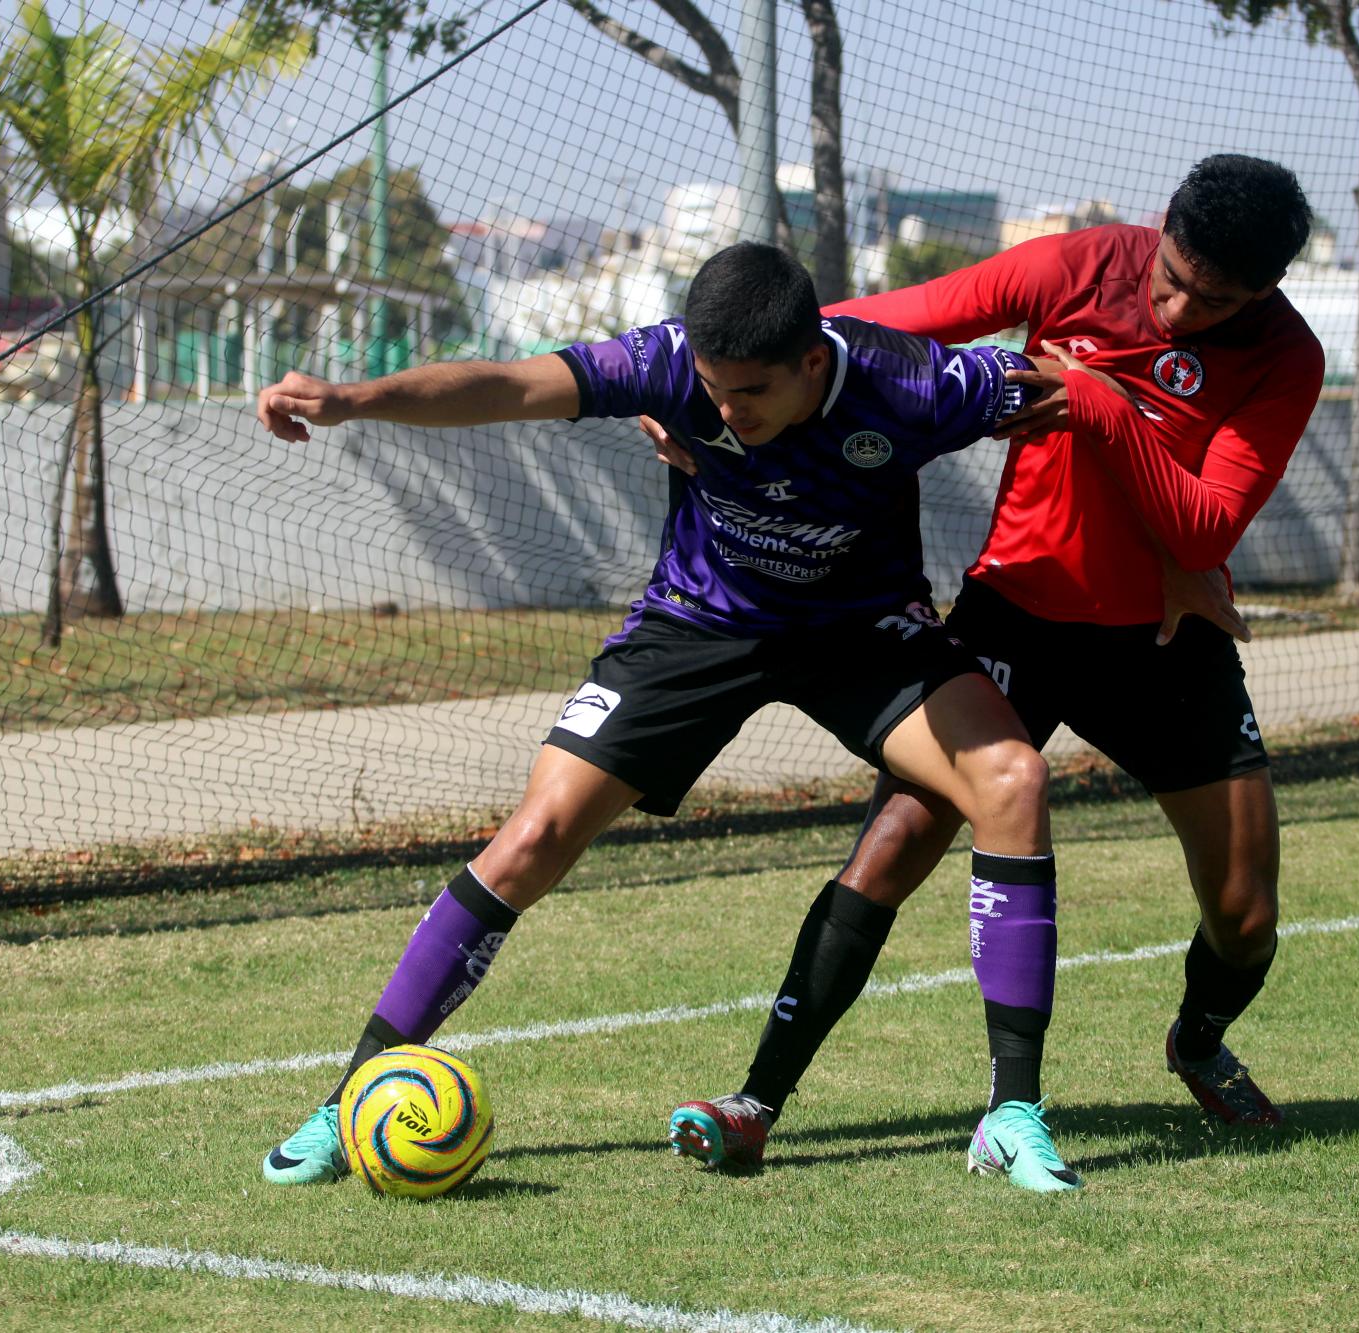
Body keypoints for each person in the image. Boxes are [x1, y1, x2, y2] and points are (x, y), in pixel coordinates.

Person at [251, 242, 1085, 1193]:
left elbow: (1086, 395)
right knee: (535, 835)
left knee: (1014, 779)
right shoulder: (665, 364)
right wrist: (355, 400)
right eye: (712, 388)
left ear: (816, 361)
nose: (727, 412)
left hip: (862, 632)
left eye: (752, 393)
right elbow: (510, 383)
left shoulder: (916, 383)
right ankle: (348, 1097)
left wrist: (1176, 522)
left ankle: (1011, 1112)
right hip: (698, 621)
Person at [658, 154, 1325, 1164]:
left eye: (1215, 299)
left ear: (1264, 291)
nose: (1183, 307)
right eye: (1173, 277)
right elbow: (874, 321)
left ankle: (1197, 1040)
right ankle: (755, 1100)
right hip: (1014, 617)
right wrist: (700, 380)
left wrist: (1096, 400)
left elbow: (1200, 527)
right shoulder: (1077, 266)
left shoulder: (1285, 356)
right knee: (892, 841)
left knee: (1244, 913)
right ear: (1160, 229)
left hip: (1162, 637)